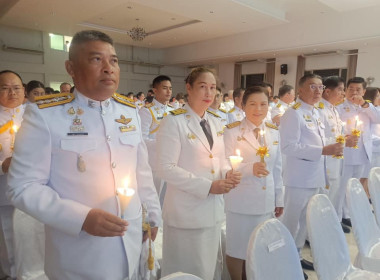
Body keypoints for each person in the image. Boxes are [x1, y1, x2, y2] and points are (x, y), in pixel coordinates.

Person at [7, 30, 161, 280]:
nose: (108, 68)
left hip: (130, 240)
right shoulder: (45, 116)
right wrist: (81, 217)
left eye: (114, 60)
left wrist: (153, 215)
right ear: (71, 67)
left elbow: (140, 171)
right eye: (96, 59)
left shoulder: (129, 111)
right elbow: (22, 187)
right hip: (79, 253)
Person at [156, 67, 241, 279]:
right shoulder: (173, 121)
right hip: (186, 213)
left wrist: (228, 173)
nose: (209, 93)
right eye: (202, 87)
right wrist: (208, 186)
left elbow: (219, 159)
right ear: (188, 88)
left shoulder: (215, 120)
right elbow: (165, 167)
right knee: (186, 270)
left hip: (212, 211)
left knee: (208, 268)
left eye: (212, 88)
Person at [279, 73, 344, 280]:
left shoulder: (316, 112)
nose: (317, 91)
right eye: (312, 87)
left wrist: (330, 149)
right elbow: (288, 147)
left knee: (304, 221)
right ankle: (285, 262)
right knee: (291, 221)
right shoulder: (293, 113)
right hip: (298, 178)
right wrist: (323, 150)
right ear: (300, 90)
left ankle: (296, 256)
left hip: (315, 176)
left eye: (320, 87)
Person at [223, 86, 284, 280]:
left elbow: (277, 168)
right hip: (241, 201)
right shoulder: (232, 132)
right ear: (242, 106)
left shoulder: (274, 132)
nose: (258, 109)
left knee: (260, 246)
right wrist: (250, 169)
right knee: (237, 248)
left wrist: (279, 198)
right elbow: (224, 165)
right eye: (253, 104)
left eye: (263, 104)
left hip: (266, 201)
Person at [336, 77, 380, 228]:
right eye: (351, 89)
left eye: (358, 90)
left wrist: (364, 104)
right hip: (346, 153)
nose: (354, 92)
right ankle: (338, 217)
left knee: (354, 186)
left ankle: (347, 214)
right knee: (341, 186)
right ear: (346, 90)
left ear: (364, 91)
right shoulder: (340, 107)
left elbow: (378, 118)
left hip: (362, 152)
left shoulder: (366, 107)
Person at [318, 76, 356, 233]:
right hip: (325, 162)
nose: (343, 93)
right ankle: (316, 231)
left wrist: (347, 138)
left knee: (334, 193)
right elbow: (319, 137)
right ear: (327, 91)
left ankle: (331, 224)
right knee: (323, 197)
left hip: (336, 160)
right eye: (340, 89)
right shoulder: (320, 110)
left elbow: (337, 133)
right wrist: (342, 141)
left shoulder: (333, 109)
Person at [0, 70, 25, 279]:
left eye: (16, 88)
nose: (12, 93)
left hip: (34, 188)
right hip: (4, 189)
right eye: (5, 88)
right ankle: (11, 274)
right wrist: (2, 165)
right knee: (8, 237)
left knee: (36, 234)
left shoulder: (35, 114)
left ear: (24, 90)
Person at [139, 75, 173, 195]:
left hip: (171, 162)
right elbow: (141, 139)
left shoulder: (172, 111)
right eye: (165, 88)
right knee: (154, 197)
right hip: (154, 162)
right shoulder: (147, 111)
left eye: (170, 88)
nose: (168, 91)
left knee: (168, 198)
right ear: (155, 90)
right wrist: (162, 144)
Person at [361, 87, 380, 198]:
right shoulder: (367, 111)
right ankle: (365, 198)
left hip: (378, 150)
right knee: (365, 177)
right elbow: (368, 133)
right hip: (371, 149)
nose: (379, 98)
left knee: (375, 178)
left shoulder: (377, 110)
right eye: (377, 96)